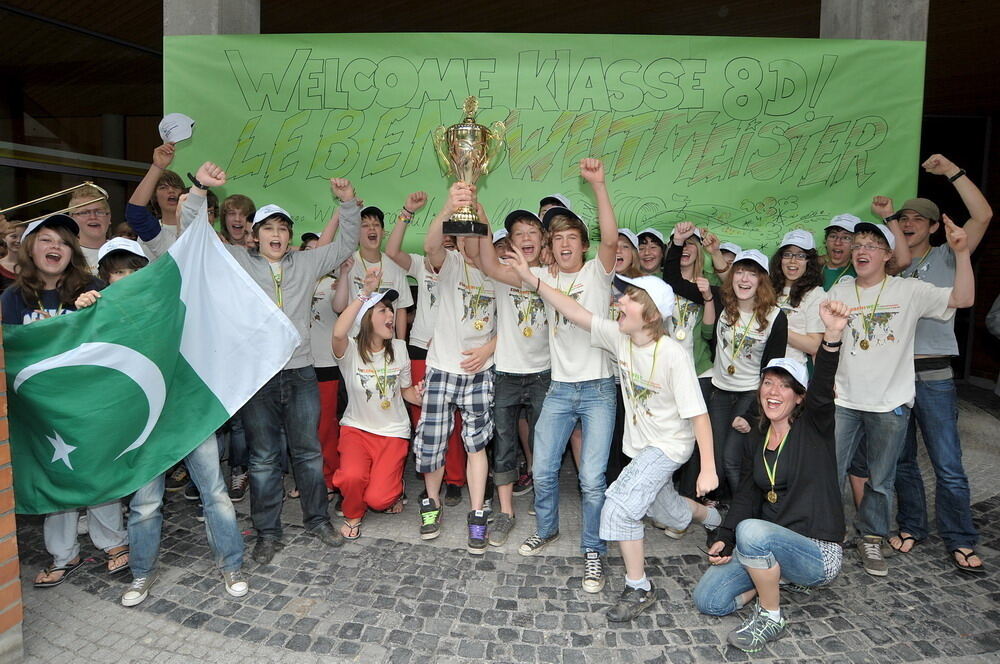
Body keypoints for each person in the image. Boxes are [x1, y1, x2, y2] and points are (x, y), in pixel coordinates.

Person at [130, 165, 362, 564]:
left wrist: (347, 203)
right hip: (257, 377)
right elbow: (193, 236)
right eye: (268, 228)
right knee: (263, 457)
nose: (276, 234)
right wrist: (200, 189)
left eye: (283, 228)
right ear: (254, 235)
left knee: (307, 453)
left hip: (302, 372)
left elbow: (346, 244)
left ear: (290, 236)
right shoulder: (234, 260)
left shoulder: (305, 264)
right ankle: (267, 533)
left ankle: (317, 520)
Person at [509, 248, 719, 620]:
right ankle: (716, 521)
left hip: (668, 447)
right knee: (665, 509)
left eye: (630, 298)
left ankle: (639, 588)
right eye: (621, 295)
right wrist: (532, 278)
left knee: (620, 508)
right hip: (640, 449)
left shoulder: (672, 354)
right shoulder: (619, 337)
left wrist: (708, 469)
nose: (619, 301)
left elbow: (699, 415)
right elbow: (573, 310)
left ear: (651, 314)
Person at [74, 227, 249, 607]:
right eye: (117, 270)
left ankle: (231, 564)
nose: (126, 276)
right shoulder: (99, 312)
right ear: (106, 276)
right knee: (145, 504)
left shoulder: (167, 302)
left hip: (186, 414)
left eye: (133, 268)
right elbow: (79, 350)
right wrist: (84, 309)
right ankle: (141, 573)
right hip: (143, 421)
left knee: (215, 493)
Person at [484, 159, 619, 591]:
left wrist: (597, 185)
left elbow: (612, 238)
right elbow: (491, 269)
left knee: (591, 479)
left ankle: (593, 550)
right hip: (559, 388)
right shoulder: (538, 273)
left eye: (571, 238)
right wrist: (483, 226)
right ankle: (547, 527)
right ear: (549, 245)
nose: (564, 244)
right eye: (556, 238)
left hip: (599, 389)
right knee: (542, 469)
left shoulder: (598, 272)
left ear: (582, 244)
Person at [693, 301, 850, 653]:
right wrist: (726, 537)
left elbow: (823, 389)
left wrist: (833, 335)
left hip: (816, 552)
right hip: (769, 547)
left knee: (755, 531)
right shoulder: (757, 438)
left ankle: (771, 614)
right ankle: (774, 580)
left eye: (784, 386)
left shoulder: (815, 428)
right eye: (767, 383)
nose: (773, 392)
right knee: (709, 599)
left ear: (799, 398)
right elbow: (748, 494)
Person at [828, 219, 973, 577]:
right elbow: (824, 340)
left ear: (888, 255)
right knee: (828, 471)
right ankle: (827, 532)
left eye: (871, 246)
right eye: (857, 245)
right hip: (844, 400)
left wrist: (962, 252)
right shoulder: (841, 290)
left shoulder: (909, 290)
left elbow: (963, 298)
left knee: (881, 479)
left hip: (889, 402)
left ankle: (872, 537)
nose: (862, 250)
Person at [0, 214, 130, 587]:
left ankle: (113, 543)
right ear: (29, 248)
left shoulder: (89, 287)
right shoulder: (11, 299)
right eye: (45, 240)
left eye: (62, 241)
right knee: (54, 474)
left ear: (72, 251)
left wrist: (97, 307)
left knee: (95, 469)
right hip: (40, 410)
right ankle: (64, 553)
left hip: (87, 402)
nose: (54, 247)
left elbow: (114, 336)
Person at [888, 154, 992, 574]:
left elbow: (983, 215)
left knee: (947, 464)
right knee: (903, 461)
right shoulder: (893, 265)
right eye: (903, 218)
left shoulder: (949, 255)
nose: (908, 222)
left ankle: (961, 538)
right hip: (893, 376)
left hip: (932, 375)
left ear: (933, 226)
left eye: (918, 218)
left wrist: (952, 171)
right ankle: (913, 525)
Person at [413, 183, 497, 554]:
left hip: (480, 373)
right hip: (443, 368)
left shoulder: (500, 273)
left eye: (478, 235)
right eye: (465, 237)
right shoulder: (451, 265)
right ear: (459, 243)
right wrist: (450, 205)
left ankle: (477, 513)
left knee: (477, 443)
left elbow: (513, 325)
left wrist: (489, 349)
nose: (472, 242)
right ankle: (430, 503)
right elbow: (431, 246)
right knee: (432, 440)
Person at [468, 209, 551, 547]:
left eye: (533, 232)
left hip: (545, 374)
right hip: (506, 373)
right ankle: (505, 513)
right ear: (510, 241)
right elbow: (485, 257)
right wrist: (478, 208)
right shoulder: (502, 274)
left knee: (545, 447)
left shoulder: (553, 276)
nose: (527, 238)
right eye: (519, 233)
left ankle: (545, 512)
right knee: (504, 445)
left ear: (543, 240)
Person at [383, 198, 470, 507]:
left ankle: (456, 479)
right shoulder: (420, 264)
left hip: (454, 352)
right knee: (425, 418)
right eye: (440, 241)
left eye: (451, 242)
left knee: (456, 419)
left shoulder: (463, 268)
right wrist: (406, 213)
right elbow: (391, 252)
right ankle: (432, 475)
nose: (444, 246)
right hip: (421, 349)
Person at [332, 268, 425, 539]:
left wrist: (417, 396)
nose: (391, 315)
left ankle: (390, 488)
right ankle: (352, 514)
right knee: (351, 478)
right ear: (366, 319)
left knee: (378, 499)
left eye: (391, 310)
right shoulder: (349, 350)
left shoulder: (400, 348)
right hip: (356, 430)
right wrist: (364, 295)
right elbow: (338, 332)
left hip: (393, 433)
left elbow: (405, 390)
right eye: (382, 311)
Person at [706, 250, 787, 499]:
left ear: (762, 280)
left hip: (750, 394)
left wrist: (752, 411)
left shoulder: (775, 316)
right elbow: (677, 282)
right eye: (739, 271)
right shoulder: (721, 302)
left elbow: (772, 369)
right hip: (719, 391)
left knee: (733, 458)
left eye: (752, 273)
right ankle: (723, 511)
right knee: (717, 458)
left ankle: (743, 514)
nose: (744, 279)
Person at [661, 222, 719, 510]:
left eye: (691, 244)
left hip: (699, 369)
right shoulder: (663, 284)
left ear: (700, 252)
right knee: (669, 433)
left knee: (697, 436)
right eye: (681, 245)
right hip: (668, 372)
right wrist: (677, 239)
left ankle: (688, 500)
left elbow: (709, 332)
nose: (685, 249)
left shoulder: (708, 284)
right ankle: (665, 498)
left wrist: (708, 296)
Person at [334, 203, 415, 339]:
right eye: (365, 225)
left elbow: (401, 308)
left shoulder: (396, 265)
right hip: (355, 341)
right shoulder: (346, 263)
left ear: (383, 232)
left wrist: (400, 343)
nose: (371, 228)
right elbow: (339, 307)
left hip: (387, 345)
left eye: (376, 225)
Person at [769, 230, 825, 365]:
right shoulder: (767, 289)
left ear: (809, 261)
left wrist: (776, 327)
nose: (793, 261)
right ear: (780, 259)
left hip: (791, 371)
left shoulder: (816, 294)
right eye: (788, 254)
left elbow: (814, 346)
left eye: (800, 255)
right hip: (760, 366)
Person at [126, 143, 184, 259]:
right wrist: (158, 166)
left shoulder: (195, 228)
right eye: (163, 187)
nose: (171, 191)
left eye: (175, 187)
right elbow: (135, 213)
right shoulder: (149, 232)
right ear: (154, 197)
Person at [68, 184, 113, 272]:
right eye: (85, 213)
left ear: (109, 218)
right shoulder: (64, 254)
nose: (93, 217)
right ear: (72, 219)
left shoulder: (126, 250)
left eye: (99, 212)